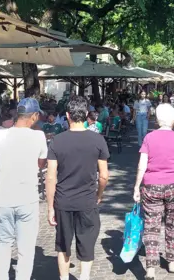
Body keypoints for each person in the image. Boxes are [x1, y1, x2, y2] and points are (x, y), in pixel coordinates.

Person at [46, 96, 110, 280]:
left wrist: (50, 206)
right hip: (87, 199)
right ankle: (84, 277)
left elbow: (50, 177)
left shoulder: (57, 141)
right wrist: (99, 194)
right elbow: (104, 176)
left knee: (63, 244)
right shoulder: (98, 140)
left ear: (67, 116)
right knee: (87, 242)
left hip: (63, 200)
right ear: (86, 115)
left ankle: (64, 277)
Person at [0, 98, 48, 280]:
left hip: (3, 198)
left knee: (3, 243)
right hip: (27, 198)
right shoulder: (39, 136)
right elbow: (41, 163)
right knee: (26, 247)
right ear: (34, 116)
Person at [133, 104, 174, 279]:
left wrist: (137, 186)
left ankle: (150, 266)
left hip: (151, 186)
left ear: (156, 120)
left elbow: (142, 165)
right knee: (173, 223)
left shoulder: (149, 138)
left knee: (151, 225)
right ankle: (172, 261)